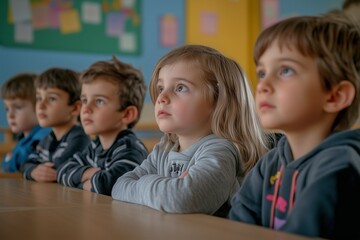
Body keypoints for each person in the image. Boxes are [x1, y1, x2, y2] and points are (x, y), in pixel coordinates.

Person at [228, 14, 360, 239]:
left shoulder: (340, 166)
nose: (263, 85)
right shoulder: (270, 162)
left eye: (285, 71)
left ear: (335, 96)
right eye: (262, 73)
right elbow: (238, 226)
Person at [112, 44, 270, 217]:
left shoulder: (220, 151)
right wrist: (167, 186)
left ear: (219, 101)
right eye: (161, 88)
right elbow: (119, 186)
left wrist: (146, 184)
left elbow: (181, 199)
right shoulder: (164, 150)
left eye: (180, 87)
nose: (162, 98)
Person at [57, 56, 149, 195]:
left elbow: (110, 186)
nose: (86, 108)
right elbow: (62, 171)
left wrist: (81, 182)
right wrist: (90, 173)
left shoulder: (131, 149)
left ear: (127, 114)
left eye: (99, 101)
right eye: (84, 100)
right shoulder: (95, 146)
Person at [22, 68, 90, 182]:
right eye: (39, 98)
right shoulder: (47, 138)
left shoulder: (79, 137)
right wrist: (33, 171)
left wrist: (38, 169)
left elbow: (61, 169)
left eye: (52, 98)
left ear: (75, 108)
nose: (41, 105)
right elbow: (25, 164)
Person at [1, 73, 51, 172]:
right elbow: (6, 165)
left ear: (39, 106)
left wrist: (10, 159)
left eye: (17, 107)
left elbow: (20, 163)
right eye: (7, 109)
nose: (10, 115)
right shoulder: (25, 138)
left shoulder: (44, 136)